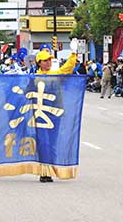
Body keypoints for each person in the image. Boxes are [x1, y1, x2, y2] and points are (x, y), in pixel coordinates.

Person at [35, 39, 78, 183]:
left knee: (52, 142)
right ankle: (44, 172)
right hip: (40, 115)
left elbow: (67, 69)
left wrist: (73, 54)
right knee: (43, 143)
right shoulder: (34, 78)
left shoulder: (55, 74)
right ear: (39, 63)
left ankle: (51, 170)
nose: (47, 62)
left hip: (55, 113)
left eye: (49, 60)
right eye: (44, 60)